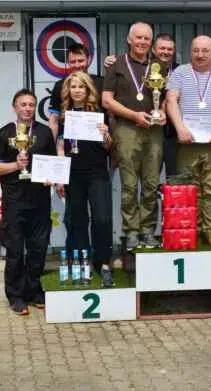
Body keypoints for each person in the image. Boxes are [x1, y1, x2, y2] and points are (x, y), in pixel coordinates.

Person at [166, 35, 211, 249]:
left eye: (205, 51)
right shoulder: (180, 73)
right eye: (196, 50)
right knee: (189, 189)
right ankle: (192, 231)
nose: (200, 55)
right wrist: (180, 128)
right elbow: (171, 100)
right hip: (187, 143)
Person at [0, 89, 56, 315]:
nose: (27, 108)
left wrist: (51, 178)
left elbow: (52, 163)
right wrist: (16, 166)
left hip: (40, 200)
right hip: (14, 201)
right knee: (15, 251)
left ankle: (34, 291)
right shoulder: (4, 133)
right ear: (15, 107)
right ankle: (16, 296)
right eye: (23, 104)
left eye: (31, 104)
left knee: (38, 249)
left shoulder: (45, 132)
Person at [102, 22, 167, 249]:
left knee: (151, 183)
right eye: (138, 38)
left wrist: (163, 112)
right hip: (127, 128)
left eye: (147, 38)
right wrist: (133, 116)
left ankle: (147, 230)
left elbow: (166, 98)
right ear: (129, 39)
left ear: (151, 42)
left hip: (154, 130)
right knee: (129, 184)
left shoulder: (160, 66)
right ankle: (130, 231)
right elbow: (106, 100)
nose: (142, 42)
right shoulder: (116, 65)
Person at [55, 71, 114, 287]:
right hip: (73, 174)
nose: (77, 90)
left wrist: (106, 134)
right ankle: (84, 262)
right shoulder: (64, 115)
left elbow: (108, 146)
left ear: (88, 89)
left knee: (103, 219)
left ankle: (104, 263)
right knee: (79, 220)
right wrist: (60, 176)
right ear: (68, 90)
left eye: (81, 86)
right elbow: (61, 147)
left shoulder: (99, 113)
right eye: (73, 87)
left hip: (97, 172)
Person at [47, 43, 103, 265]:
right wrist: (54, 158)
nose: (77, 65)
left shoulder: (100, 82)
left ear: (88, 60)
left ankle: (100, 260)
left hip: (97, 159)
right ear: (67, 62)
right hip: (70, 159)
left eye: (81, 61)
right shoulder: (59, 86)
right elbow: (54, 123)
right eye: (73, 61)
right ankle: (77, 257)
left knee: (100, 216)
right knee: (75, 215)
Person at [105, 33, 179, 177]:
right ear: (153, 49)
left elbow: (167, 98)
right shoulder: (140, 67)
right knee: (143, 175)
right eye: (162, 48)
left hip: (172, 133)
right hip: (146, 128)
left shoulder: (180, 70)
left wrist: (162, 110)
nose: (165, 52)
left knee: (170, 177)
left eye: (170, 49)